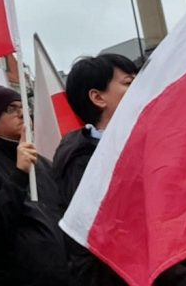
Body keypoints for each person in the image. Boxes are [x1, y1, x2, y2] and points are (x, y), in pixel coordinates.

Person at [0, 84, 68, 286]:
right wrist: (19, 175)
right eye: (11, 108)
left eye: (24, 107)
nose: (22, 113)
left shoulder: (44, 164)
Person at [53, 52, 138, 284]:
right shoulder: (81, 163)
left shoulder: (142, 145)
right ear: (98, 98)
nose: (140, 88)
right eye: (129, 83)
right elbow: (119, 243)